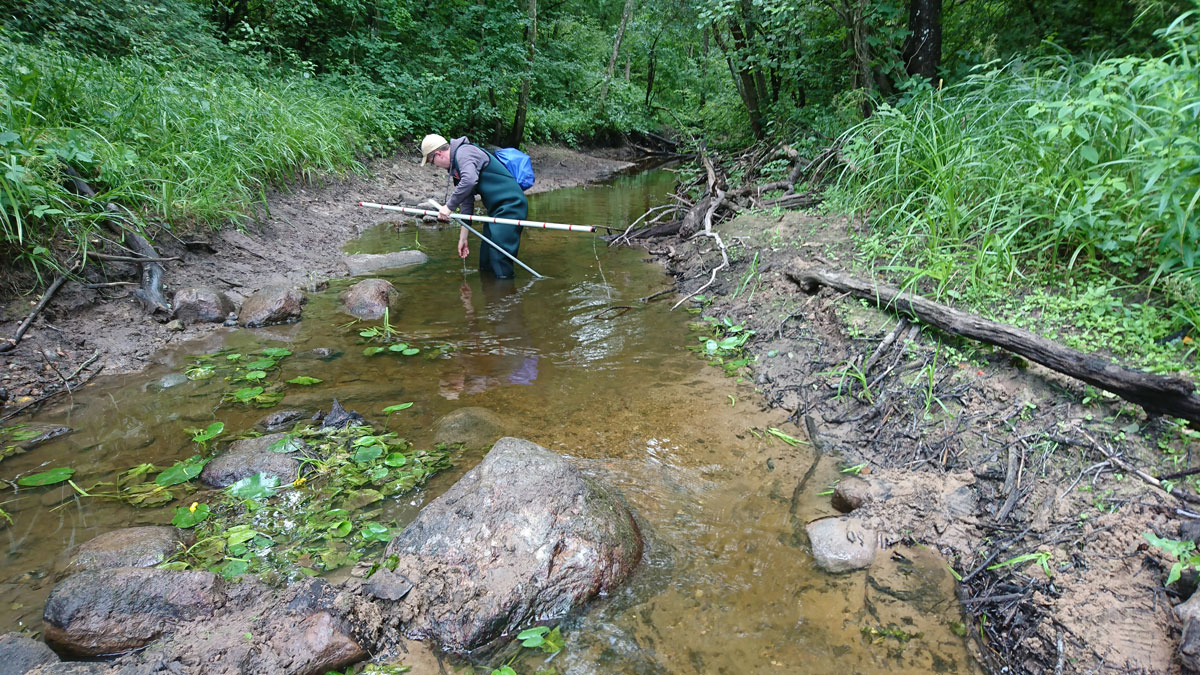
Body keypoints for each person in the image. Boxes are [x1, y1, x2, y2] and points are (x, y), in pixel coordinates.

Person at [421, 134, 528, 279]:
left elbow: (470, 180)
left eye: (432, 162)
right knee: (486, 260)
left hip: (512, 205)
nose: (435, 166)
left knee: (499, 255)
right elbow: (467, 200)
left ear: (438, 154)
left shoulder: (464, 153)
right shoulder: (456, 168)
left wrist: (449, 206)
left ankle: (506, 296)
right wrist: (463, 238)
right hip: (496, 210)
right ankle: (491, 294)